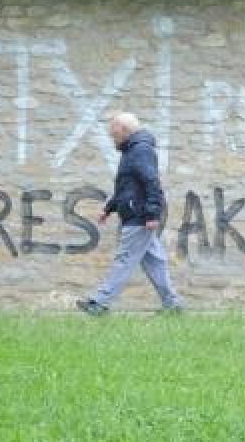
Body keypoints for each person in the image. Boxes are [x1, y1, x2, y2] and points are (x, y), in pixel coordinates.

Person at [76, 112, 183, 316]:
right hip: (138, 214)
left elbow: (152, 182)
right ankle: (172, 304)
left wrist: (152, 214)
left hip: (139, 217)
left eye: (114, 135)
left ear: (125, 131)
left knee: (124, 259)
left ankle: (99, 303)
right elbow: (127, 187)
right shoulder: (131, 150)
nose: (113, 139)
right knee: (155, 262)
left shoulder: (140, 151)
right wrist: (109, 207)